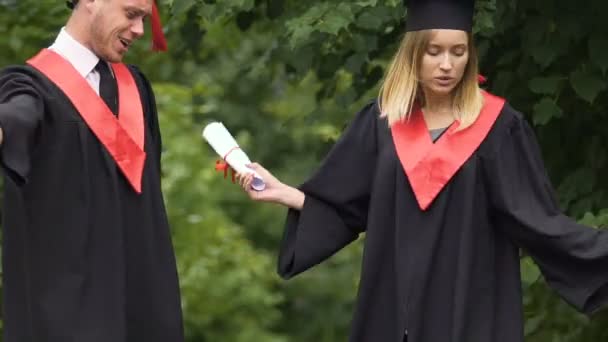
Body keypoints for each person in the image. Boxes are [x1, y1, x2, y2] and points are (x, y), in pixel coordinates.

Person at [236, 0, 608, 341]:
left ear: (469, 57)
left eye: (458, 52)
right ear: (413, 55)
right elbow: (345, 207)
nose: (447, 64)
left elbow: (539, 222)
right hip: (392, 312)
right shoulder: (381, 123)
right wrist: (284, 192)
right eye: (434, 52)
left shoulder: (499, 129)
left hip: (469, 312)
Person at [0, 0, 183, 341]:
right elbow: (17, 116)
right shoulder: (30, 87)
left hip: (143, 315)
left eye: (143, 19)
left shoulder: (137, 90)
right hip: (67, 320)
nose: (140, 31)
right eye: (131, 14)